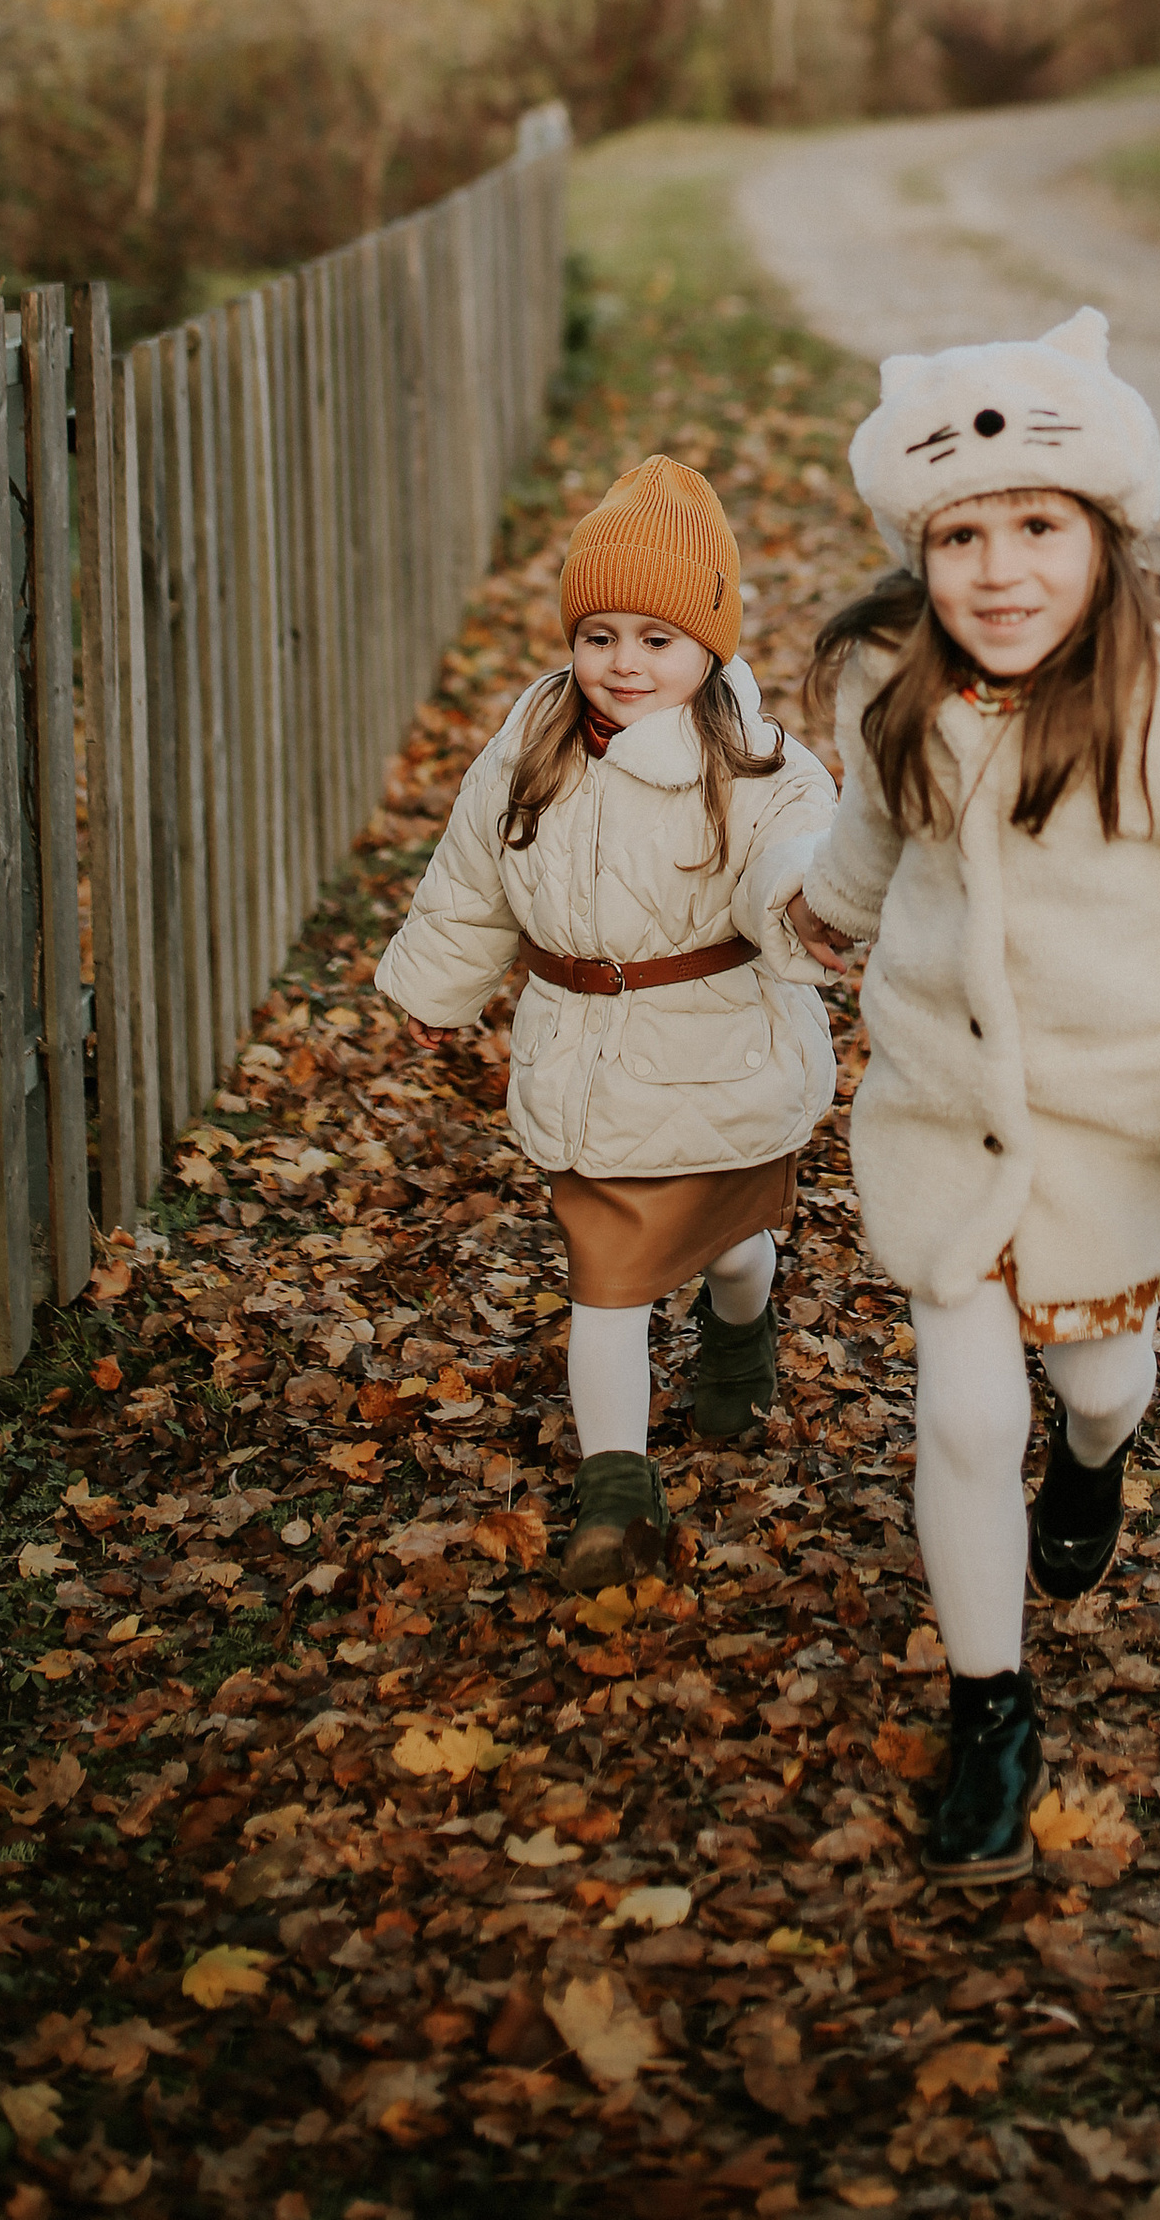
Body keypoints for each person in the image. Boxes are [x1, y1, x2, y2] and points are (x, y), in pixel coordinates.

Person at [788, 308, 1160, 1885]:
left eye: (1037, 528)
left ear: (1104, 532)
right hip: (942, 1115)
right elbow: (876, 835)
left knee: (1094, 1383)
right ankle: (992, 1704)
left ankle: (1097, 1455)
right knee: (967, 1415)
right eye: (961, 536)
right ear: (920, 549)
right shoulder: (892, 683)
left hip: (1116, 1138)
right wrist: (824, 909)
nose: (1000, 572)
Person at [377, 454, 836, 1586]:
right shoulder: (531, 741)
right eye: (599, 636)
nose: (624, 663)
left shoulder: (759, 766)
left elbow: (789, 867)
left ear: (709, 645)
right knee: (608, 1281)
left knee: (734, 1250)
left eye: (656, 639)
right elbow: (472, 876)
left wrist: (807, 900)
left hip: (715, 1061)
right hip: (584, 1062)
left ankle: (740, 1330)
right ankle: (616, 1492)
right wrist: (438, 990)